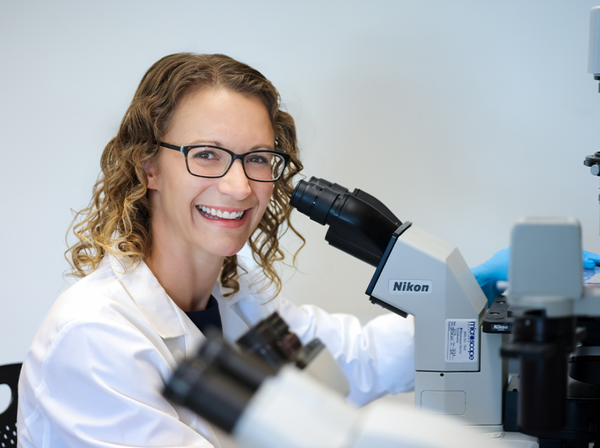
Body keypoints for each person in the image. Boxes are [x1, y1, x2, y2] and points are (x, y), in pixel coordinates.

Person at [17, 53, 415, 448]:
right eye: (207, 154)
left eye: (257, 158)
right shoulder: (94, 337)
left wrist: (459, 309)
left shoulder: (240, 297)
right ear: (148, 166)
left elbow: (359, 358)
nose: (240, 187)